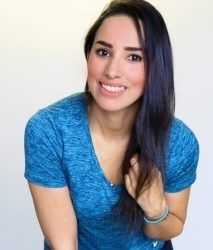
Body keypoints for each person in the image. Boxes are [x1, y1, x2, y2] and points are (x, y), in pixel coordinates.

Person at [24, 0, 199, 249]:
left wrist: (155, 207)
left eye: (134, 57)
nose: (112, 71)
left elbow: (170, 227)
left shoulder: (178, 141)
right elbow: (64, 244)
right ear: (88, 54)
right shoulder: (49, 130)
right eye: (103, 52)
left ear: (155, 68)